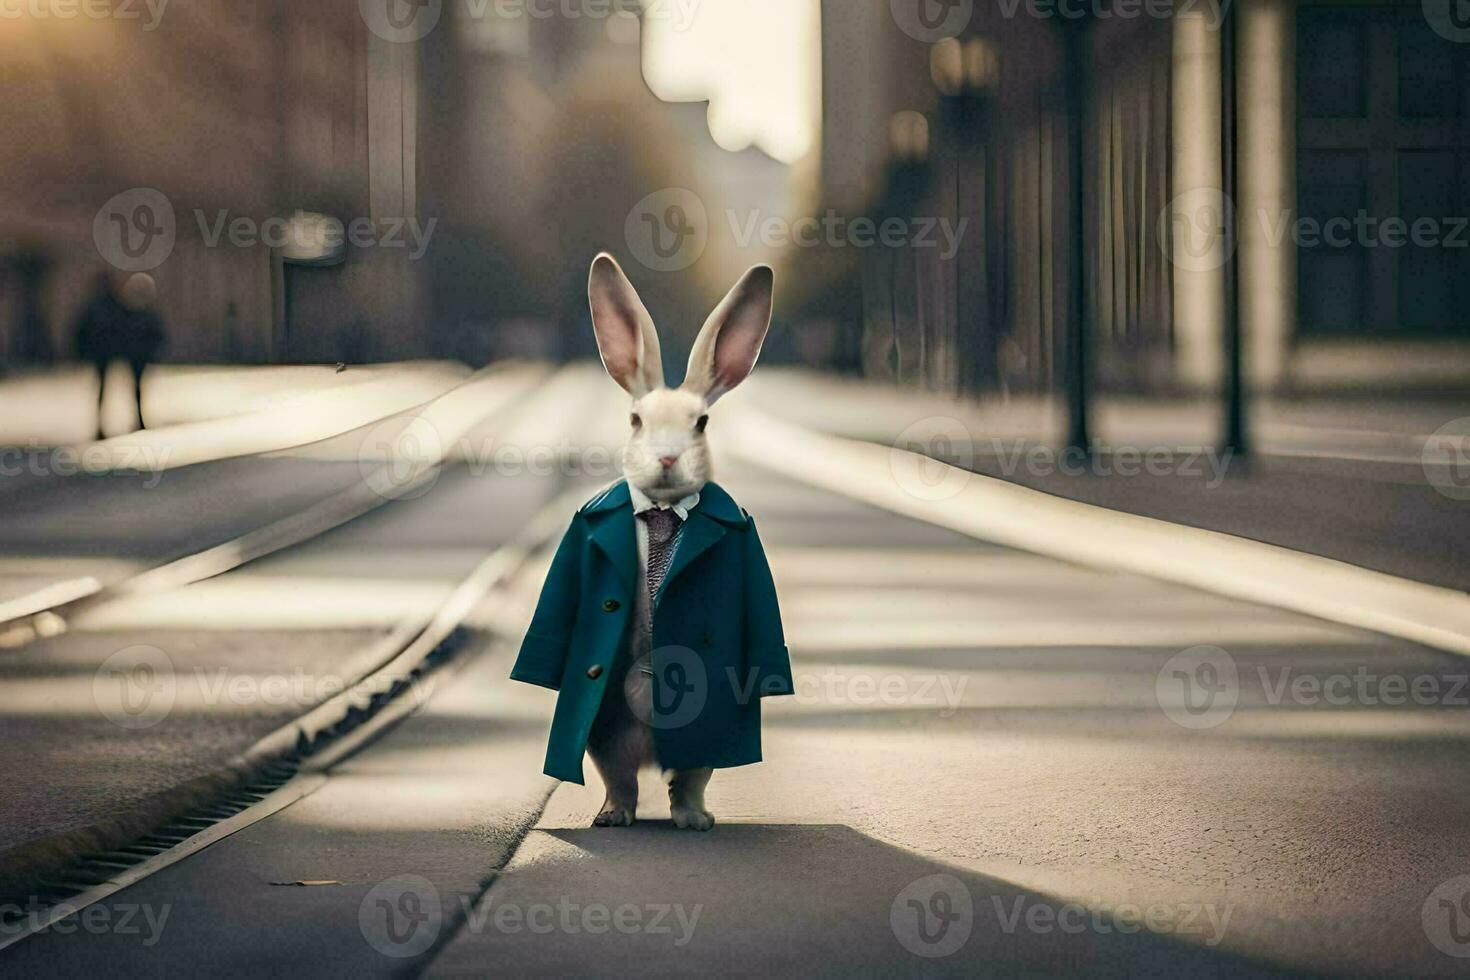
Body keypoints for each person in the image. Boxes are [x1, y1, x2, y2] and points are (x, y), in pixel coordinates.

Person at [72, 272, 167, 440]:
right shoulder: (113, 307)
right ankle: (120, 422)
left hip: (114, 352)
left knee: (121, 389)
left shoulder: (115, 308)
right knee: (122, 389)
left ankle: (126, 421)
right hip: (111, 352)